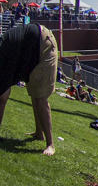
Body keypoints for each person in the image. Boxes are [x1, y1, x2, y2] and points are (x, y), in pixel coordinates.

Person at [0, 23, 59, 155]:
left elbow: (3, 93)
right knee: (34, 92)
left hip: (45, 46)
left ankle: (51, 145)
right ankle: (39, 133)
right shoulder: (4, 49)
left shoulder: (5, 53)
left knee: (40, 97)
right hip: (32, 50)